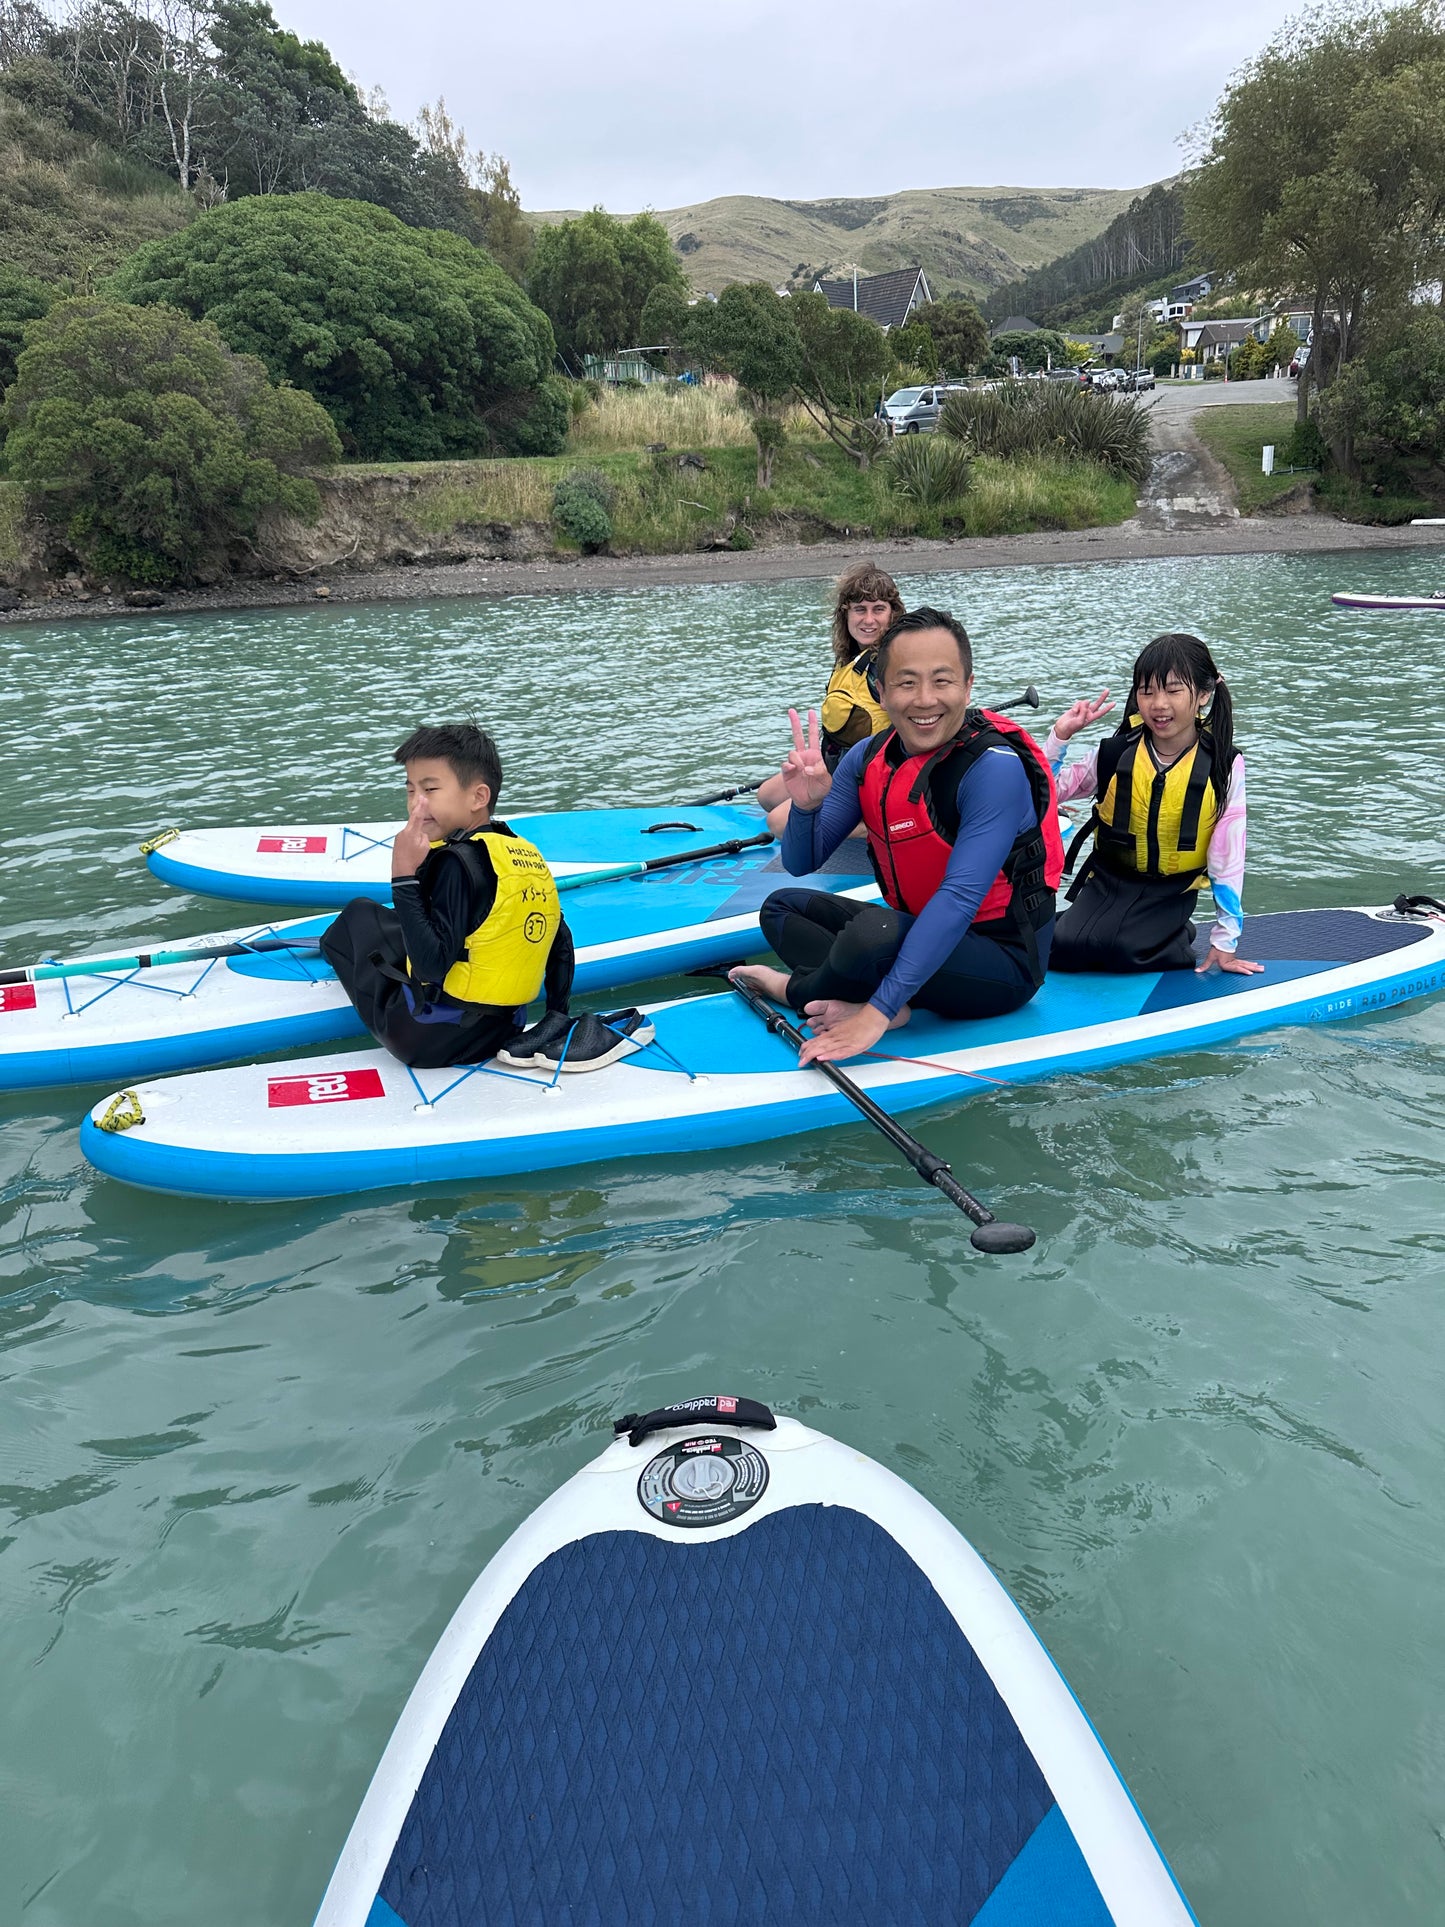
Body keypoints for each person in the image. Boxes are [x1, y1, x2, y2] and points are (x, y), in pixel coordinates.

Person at [730, 607, 1063, 1065]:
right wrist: (807, 807)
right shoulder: (867, 758)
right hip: (914, 936)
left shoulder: (993, 769)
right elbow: (803, 861)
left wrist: (875, 1015)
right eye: (907, 683)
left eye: (942, 681)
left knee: (873, 937)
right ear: (882, 692)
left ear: (967, 686)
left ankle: (795, 987)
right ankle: (894, 996)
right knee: (782, 907)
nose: (925, 699)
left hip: (1003, 962)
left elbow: (960, 899)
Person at [319, 722, 582, 1070]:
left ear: (478, 797)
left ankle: (328, 949)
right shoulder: (523, 854)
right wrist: (554, 1018)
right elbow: (560, 941)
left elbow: (430, 966)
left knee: (359, 915)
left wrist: (403, 877)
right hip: (506, 1026)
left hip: (428, 1037)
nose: (416, 805)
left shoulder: (455, 862)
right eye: (411, 790)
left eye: (430, 789)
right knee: (396, 924)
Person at [1046, 633, 1260, 976]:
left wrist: (1226, 939)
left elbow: (1227, 856)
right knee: (1065, 948)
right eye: (1147, 691)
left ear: (1203, 694)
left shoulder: (1223, 764)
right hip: (1108, 880)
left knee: (1125, 951)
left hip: (1171, 890)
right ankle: (1092, 924)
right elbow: (1049, 792)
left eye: (1173, 690)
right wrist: (1060, 736)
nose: (1158, 704)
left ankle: (1178, 933)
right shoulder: (1116, 752)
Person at [757, 562, 905, 833]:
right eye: (860, 609)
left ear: (892, 614)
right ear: (845, 615)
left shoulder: (891, 663)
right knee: (766, 797)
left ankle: (884, 825)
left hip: (872, 777)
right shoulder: (849, 658)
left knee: (777, 824)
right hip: (835, 763)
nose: (869, 620)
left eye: (878, 609)